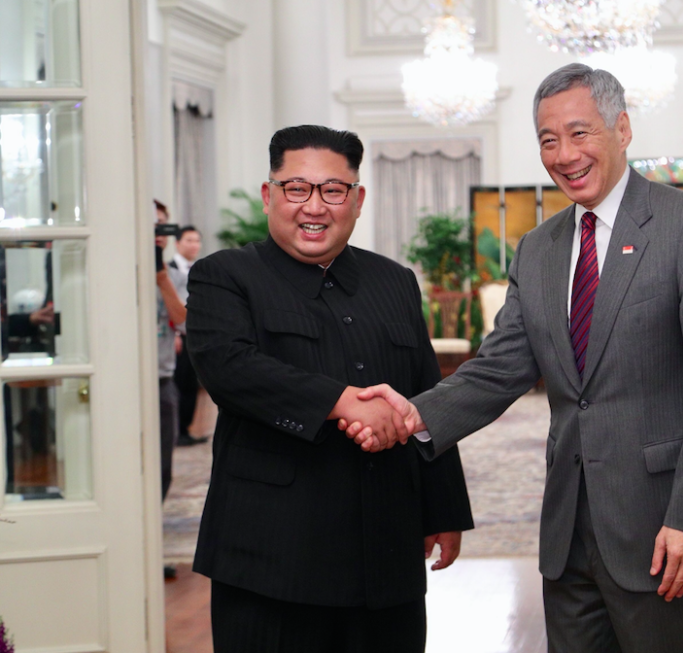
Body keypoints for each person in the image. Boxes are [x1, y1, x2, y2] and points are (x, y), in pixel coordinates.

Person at [346, 63, 683, 652]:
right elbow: (499, 366)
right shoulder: (537, 248)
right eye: (548, 140)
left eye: (580, 133)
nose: (564, 154)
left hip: (661, 529)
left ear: (623, 129)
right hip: (568, 533)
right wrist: (411, 414)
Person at [185, 125, 473, 653]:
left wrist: (444, 510)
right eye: (296, 188)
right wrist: (339, 400)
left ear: (357, 200)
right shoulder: (224, 275)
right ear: (270, 195)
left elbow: (425, 393)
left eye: (333, 190)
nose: (313, 206)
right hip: (271, 556)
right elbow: (228, 367)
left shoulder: (395, 281)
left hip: (385, 554)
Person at [154, 199, 187, 580]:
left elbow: (183, 321)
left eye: (162, 228)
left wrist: (161, 278)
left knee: (162, 468)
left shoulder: (174, 276)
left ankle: (153, 541)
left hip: (162, 377)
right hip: (124, 382)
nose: (159, 235)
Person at [168, 225, 207, 446]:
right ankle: (175, 431)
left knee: (191, 383)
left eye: (197, 241)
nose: (194, 245)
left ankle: (186, 430)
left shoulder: (201, 268)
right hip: (176, 335)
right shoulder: (167, 269)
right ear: (178, 243)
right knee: (178, 383)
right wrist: (173, 333)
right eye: (189, 240)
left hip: (194, 333)